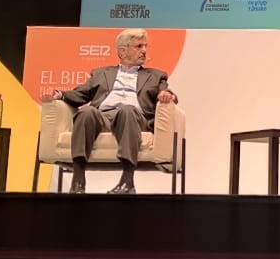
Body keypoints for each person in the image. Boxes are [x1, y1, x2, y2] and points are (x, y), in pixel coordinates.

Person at [40, 28, 178, 194]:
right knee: (86, 112)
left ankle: (127, 181)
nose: (144, 51)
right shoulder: (101, 73)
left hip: (134, 118)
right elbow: (80, 93)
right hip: (103, 118)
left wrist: (166, 95)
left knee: (127, 110)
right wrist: (60, 94)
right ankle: (78, 179)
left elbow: (169, 93)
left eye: (145, 46)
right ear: (122, 51)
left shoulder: (156, 76)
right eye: (138, 46)